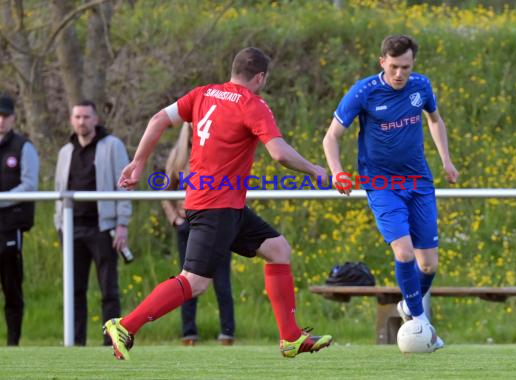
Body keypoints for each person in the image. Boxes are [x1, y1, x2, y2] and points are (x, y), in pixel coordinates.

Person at [103, 47, 332, 360]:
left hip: (223, 204)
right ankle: (125, 326)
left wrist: (138, 162)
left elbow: (159, 119)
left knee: (278, 250)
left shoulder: (203, 93)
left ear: (234, 70)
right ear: (260, 77)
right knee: (194, 282)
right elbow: (278, 153)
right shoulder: (253, 104)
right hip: (216, 206)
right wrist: (314, 169)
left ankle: (291, 337)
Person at [323, 35, 459, 350]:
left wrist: (446, 161)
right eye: (394, 66)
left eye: (406, 68)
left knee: (428, 266)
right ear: (382, 61)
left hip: (420, 183)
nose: (400, 74)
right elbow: (332, 137)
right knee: (404, 253)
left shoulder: (421, 86)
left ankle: (408, 306)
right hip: (382, 185)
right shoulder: (363, 92)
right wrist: (338, 171)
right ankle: (419, 319)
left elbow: (435, 121)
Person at [54, 100, 132, 346]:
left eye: (86, 117)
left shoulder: (112, 146)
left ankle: (112, 343)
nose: (81, 121)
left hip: (103, 228)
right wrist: (59, 224)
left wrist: (122, 223)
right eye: (77, 117)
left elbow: (124, 186)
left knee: (109, 290)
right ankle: (75, 342)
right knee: (75, 290)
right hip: (72, 227)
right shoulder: (65, 151)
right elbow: (59, 189)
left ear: (95, 119)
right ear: (71, 120)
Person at [161, 122, 235, 346]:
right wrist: (175, 218)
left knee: (222, 281)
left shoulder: (221, 153)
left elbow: (232, 186)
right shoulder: (179, 156)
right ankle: (188, 333)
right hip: (188, 225)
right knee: (187, 281)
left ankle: (227, 332)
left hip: (217, 226)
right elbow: (165, 193)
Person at [0, 95, 39, 346]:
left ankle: (13, 343)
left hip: (9, 227)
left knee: (12, 286)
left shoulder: (24, 147)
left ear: (13, 118)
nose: (1, 121)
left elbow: (30, 185)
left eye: (5, 116)